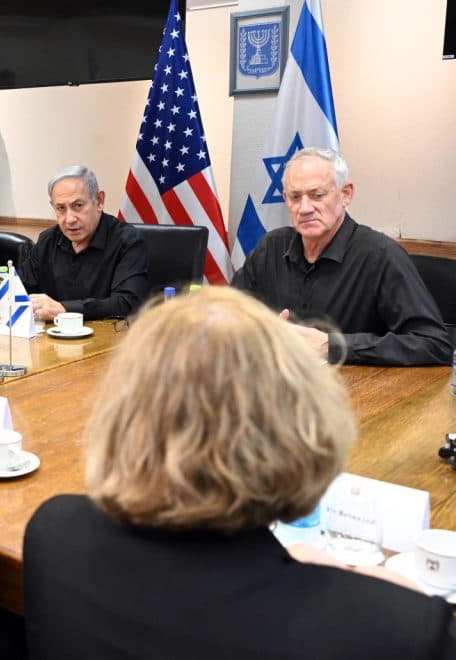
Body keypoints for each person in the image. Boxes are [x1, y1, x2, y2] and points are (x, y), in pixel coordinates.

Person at [23, 287, 456, 659]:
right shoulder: (396, 628)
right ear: (302, 429)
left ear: (122, 414)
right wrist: (382, 601)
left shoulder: (53, 531)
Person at [232, 147, 450, 365]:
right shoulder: (271, 248)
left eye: (317, 195)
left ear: (346, 194)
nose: (304, 208)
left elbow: (434, 344)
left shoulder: (381, 256)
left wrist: (331, 345)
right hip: (274, 385)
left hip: (355, 393)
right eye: (295, 197)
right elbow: (226, 315)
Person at [21, 165, 149, 320]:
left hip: (108, 339)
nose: (70, 219)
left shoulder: (128, 241)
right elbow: (20, 291)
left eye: (78, 206)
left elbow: (127, 304)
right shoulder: (47, 241)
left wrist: (65, 310)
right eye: (61, 208)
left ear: (99, 201)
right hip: (50, 339)